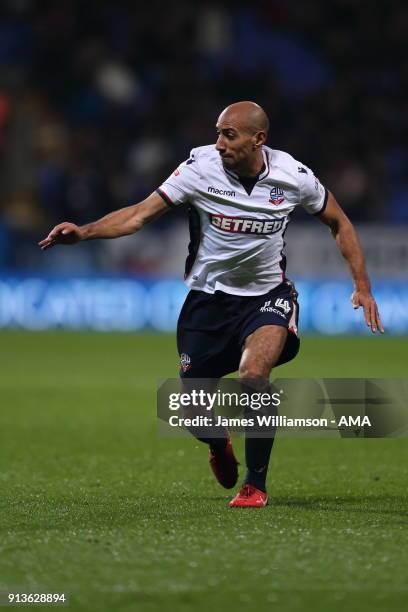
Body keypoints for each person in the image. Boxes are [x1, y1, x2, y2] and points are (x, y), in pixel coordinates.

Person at [39, 101, 384, 508]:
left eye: (229, 134)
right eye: (218, 132)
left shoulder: (293, 175)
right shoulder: (198, 169)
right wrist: (84, 231)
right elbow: (139, 215)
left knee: (254, 375)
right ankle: (218, 444)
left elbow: (339, 221)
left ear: (258, 140)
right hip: (208, 302)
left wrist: (362, 285)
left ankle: (256, 484)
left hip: (267, 296)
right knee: (190, 412)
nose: (218, 143)